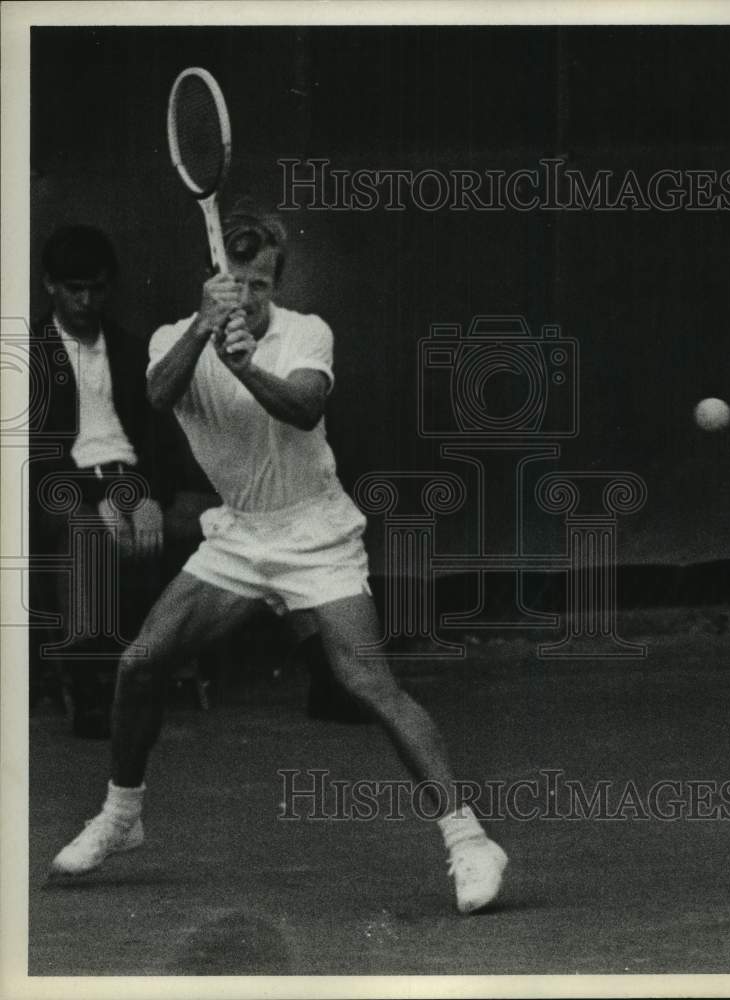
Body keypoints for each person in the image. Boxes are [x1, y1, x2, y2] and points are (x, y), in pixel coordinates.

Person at [50, 206, 508, 914]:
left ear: (276, 284)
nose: (249, 294)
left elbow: (302, 406)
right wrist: (206, 333)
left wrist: (247, 365)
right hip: (239, 535)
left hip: (314, 532)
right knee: (142, 661)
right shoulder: (177, 337)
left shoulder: (306, 333)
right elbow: (158, 394)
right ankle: (121, 816)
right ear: (214, 280)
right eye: (237, 281)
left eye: (261, 282)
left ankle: (469, 840)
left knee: (367, 683)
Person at [30, 226, 169, 736]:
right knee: (85, 531)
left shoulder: (132, 350)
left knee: (213, 520)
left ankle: (149, 671)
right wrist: (95, 496)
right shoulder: (31, 353)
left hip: (129, 479)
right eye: (74, 289)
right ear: (50, 285)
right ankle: (92, 688)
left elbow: (159, 441)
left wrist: (148, 495)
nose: (87, 300)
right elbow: (36, 452)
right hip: (64, 487)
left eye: (97, 288)